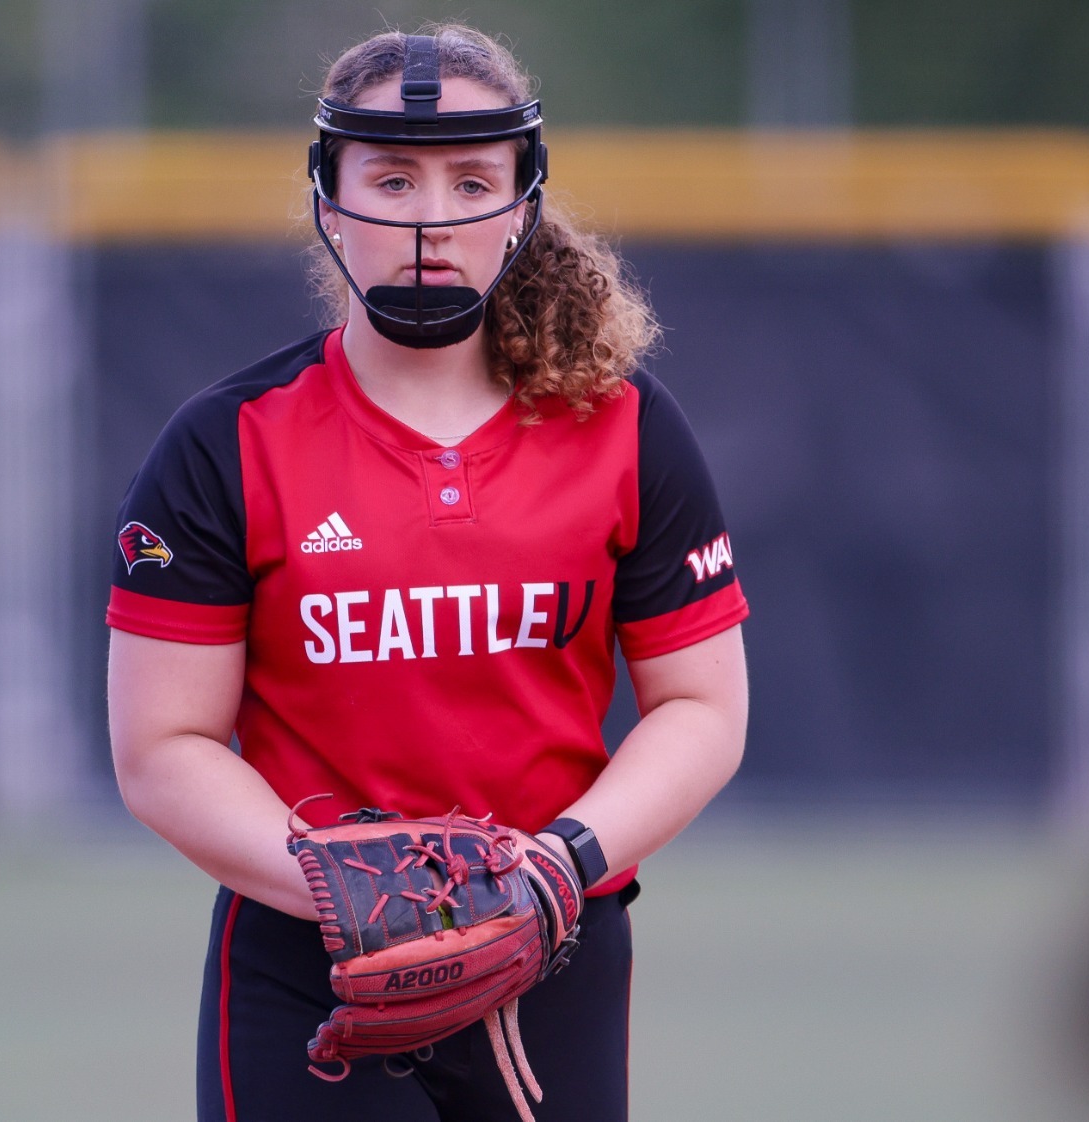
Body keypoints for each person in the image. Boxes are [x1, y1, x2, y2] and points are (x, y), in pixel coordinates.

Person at [106, 25, 749, 1122]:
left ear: (521, 202)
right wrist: (353, 894)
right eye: (391, 178)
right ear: (328, 197)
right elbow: (160, 747)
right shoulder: (227, 442)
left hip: (552, 953)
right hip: (308, 959)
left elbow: (702, 707)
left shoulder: (625, 429)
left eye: (468, 181)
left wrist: (553, 869)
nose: (426, 220)